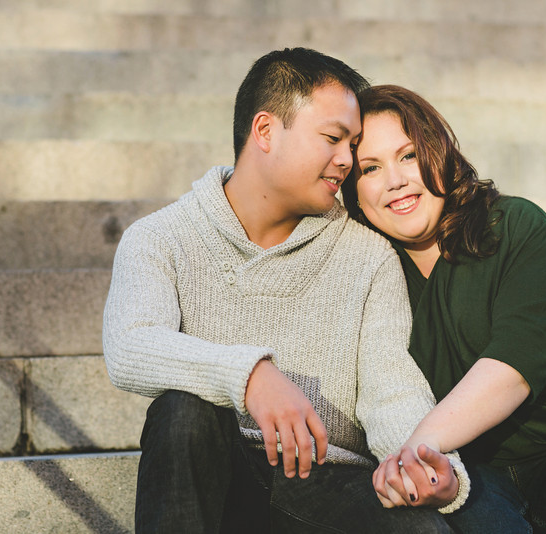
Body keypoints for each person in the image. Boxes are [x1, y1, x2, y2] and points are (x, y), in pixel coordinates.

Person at [103, 48, 469, 533]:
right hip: (216, 480)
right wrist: (250, 376)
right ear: (266, 131)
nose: (348, 160)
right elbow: (129, 345)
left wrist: (426, 462)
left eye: (353, 143)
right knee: (181, 412)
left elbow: (389, 387)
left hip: (328, 489)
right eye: (334, 139)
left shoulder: (368, 255)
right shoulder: (161, 239)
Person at [341, 84, 546, 533]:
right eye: (370, 168)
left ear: (439, 153)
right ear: (355, 194)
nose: (395, 180)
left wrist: (419, 445)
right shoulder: (372, 277)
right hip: (470, 470)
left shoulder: (516, 227)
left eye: (408, 156)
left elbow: (511, 370)